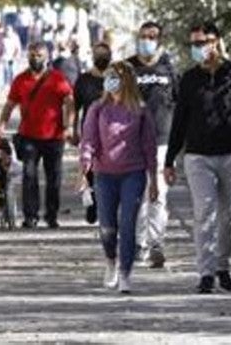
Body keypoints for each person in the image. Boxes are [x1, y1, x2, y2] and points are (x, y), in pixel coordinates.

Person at [163, 22, 231, 294]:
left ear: (215, 42)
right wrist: (169, 160)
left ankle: (222, 266)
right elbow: (179, 121)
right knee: (204, 212)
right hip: (198, 157)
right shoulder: (189, 79)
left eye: (201, 42)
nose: (196, 48)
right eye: (193, 44)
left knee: (228, 217)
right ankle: (205, 272)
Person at [79, 60, 158, 294]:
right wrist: (84, 169)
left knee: (128, 224)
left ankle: (125, 272)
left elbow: (149, 146)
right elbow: (89, 140)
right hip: (104, 174)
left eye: (116, 76)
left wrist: (153, 179)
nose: (111, 80)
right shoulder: (98, 108)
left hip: (133, 173)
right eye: (109, 76)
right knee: (107, 226)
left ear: (127, 81)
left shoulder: (140, 110)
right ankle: (110, 261)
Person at [0, 42, 76, 228]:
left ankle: (51, 215)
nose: (35, 59)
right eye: (32, 55)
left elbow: (69, 101)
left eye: (39, 55)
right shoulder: (20, 80)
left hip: (54, 137)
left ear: (47, 57)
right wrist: (1, 125)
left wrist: (69, 126)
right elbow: (9, 105)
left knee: (54, 178)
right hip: (29, 136)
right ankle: (30, 216)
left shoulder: (57, 78)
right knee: (29, 176)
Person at [126, 21, 179, 268]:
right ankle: (139, 243)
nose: (146, 40)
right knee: (138, 195)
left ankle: (156, 243)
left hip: (162, 141)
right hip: (132, 142)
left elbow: (180, 105)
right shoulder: (127, 69)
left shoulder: (169, 69)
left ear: (159, 41)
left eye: (152, 36)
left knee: (159, 194)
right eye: (143, 36)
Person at [73, 41, 114, 224]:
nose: (101, 58)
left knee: (109, 167)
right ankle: (92, 203)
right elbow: (75, 107)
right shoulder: (83, 80)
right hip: (89, 131)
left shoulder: (116, 79)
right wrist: (73, 129)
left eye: (104, 55)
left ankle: (108, 202)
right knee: (88, 167)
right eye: (98, 55)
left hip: (112, 132)